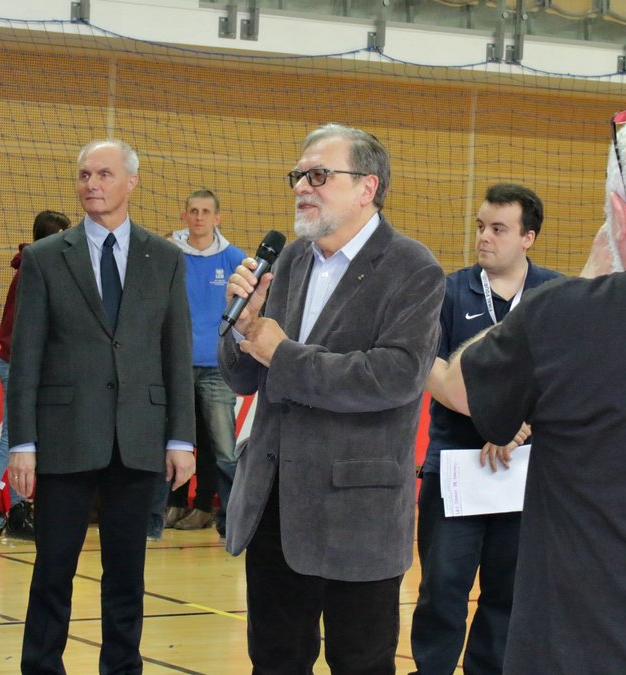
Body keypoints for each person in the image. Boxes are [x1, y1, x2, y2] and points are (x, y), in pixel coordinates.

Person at [432, 108, 626, 674]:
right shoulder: (464, 291)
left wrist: (588, 278)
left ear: (619, 214)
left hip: (582, 645)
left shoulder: (561, 312)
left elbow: (459, 382)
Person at [219, 123, 445, 673]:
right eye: (298, 175)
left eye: (318, 175)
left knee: (360, 663)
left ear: (367, 187)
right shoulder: (289, 261)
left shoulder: (413, 268)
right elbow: (243, 378)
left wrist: (282, 353)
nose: (302, 186)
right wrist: (241, 327)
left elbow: (394, 376)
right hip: (274, 505)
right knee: (274, 661)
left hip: (357, 514)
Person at [6, 139, 196, 674]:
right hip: (64, 436)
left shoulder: (166, 258)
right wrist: (22, 443)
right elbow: (26, 356)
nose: (91, 184)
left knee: (127, 576)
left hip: (139, 437)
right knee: (53, 571)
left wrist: (181, 437)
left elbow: (176, 352)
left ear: (131, 182)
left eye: (104, 174)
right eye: (84, 175)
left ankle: (122, 667)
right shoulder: (44, 258)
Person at [409, 183, 561, 675]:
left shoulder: (555, 294)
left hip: (525, 472)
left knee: (508, 593)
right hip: (456, 468)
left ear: (528, 238)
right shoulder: (448, 291)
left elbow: (567, 376)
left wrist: (518, 426)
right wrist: (494, 420)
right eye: (480, 226)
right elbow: (429, 369)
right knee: (441, 588)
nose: (484, 237)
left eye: (498, 229)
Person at [0, 210, 71, 545]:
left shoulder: (36, 266)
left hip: (25, 365)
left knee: (25, 441)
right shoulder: (37, 270)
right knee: (12, 441)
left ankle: (19, 510)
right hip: (20, 365)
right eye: (65, 235)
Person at [151, 189, 246, 539]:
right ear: (184, 216)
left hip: (217, 369)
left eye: (206, 211)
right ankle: (164, 510)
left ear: (217, 218)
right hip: (174, 367)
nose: (199, 217)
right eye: (193, 210)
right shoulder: (169, 253)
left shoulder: (234, 258)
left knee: (223, 449)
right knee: (168, 442)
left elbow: (253, 306)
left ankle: (233, 520)